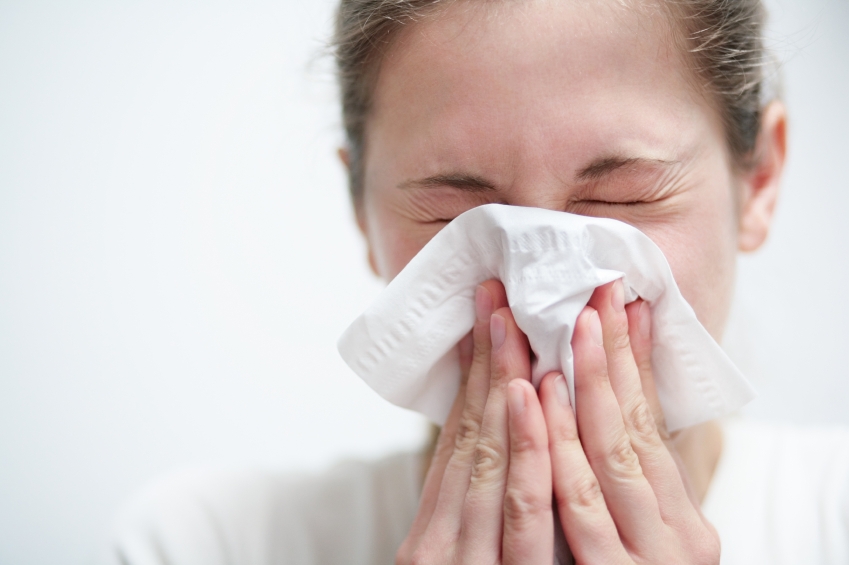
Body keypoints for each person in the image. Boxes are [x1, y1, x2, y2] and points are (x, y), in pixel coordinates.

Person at [108, 0, 849, 563]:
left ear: (758, 181)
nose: (536, 301)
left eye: (620, 200)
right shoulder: (207, 541)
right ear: (361, 212)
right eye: (454, 215)